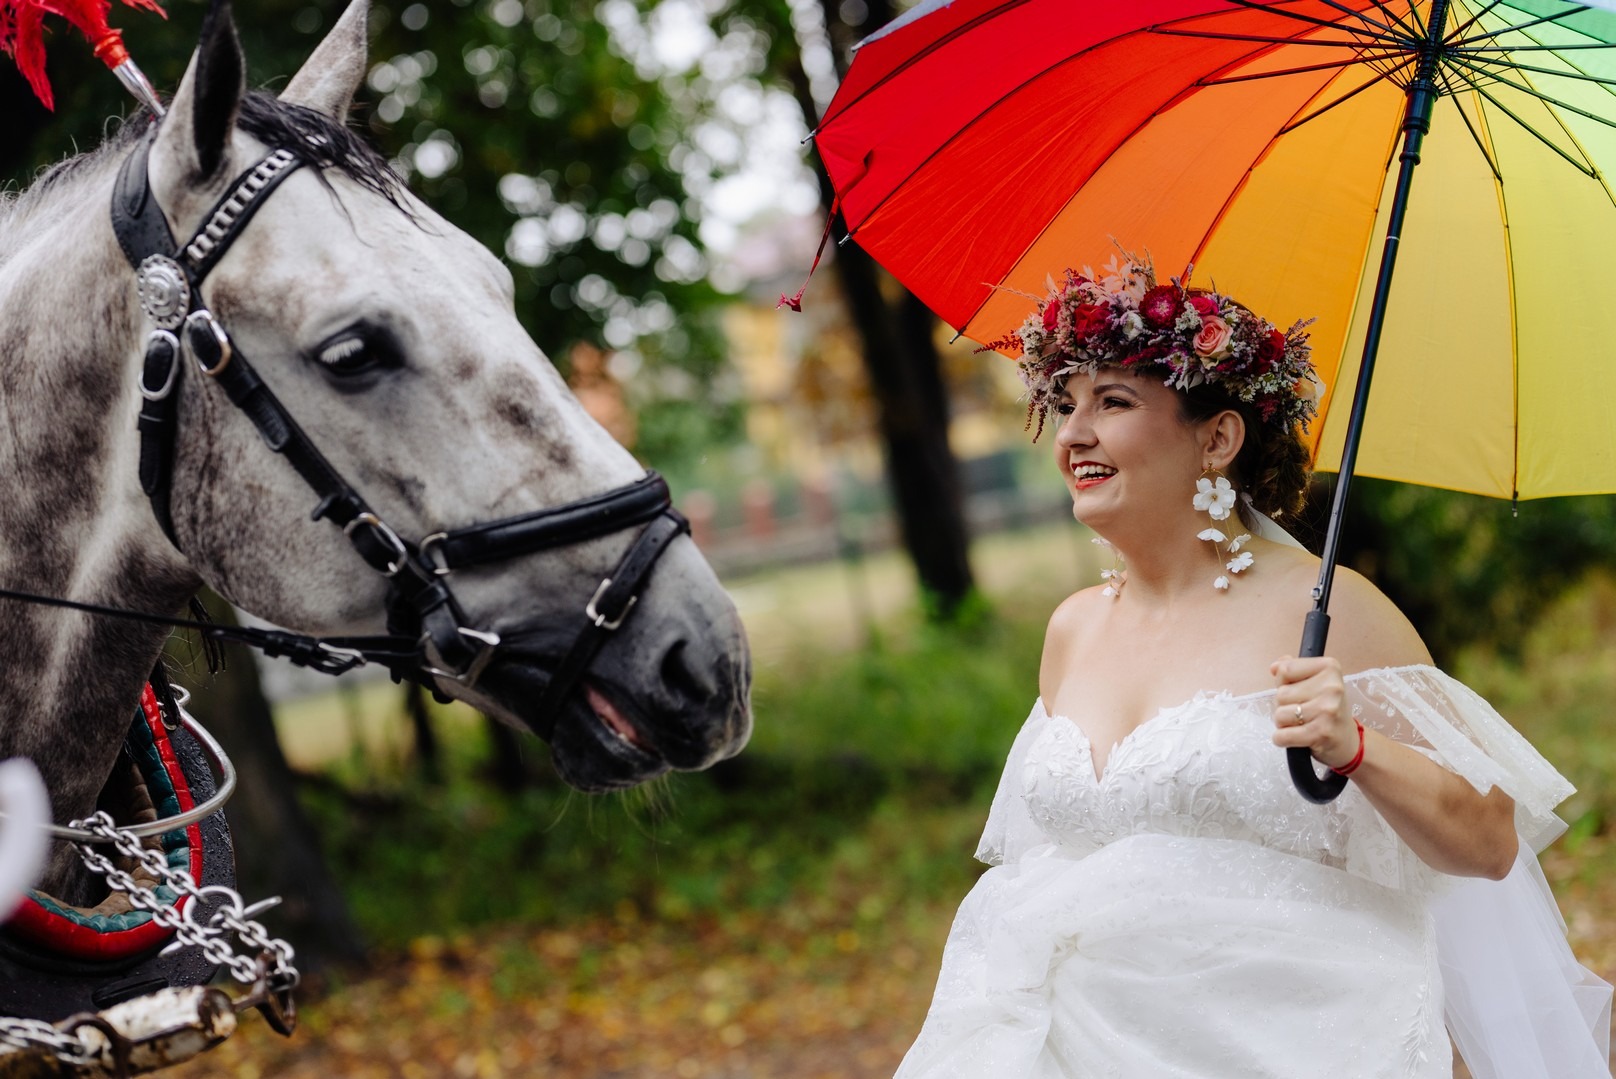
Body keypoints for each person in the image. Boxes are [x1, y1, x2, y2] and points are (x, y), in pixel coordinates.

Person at [895, 252, 1613, 1079]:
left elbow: (1487, 842)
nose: (1073, 434)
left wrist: (1357, 751)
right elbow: (1044, 857)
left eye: (1113, 402)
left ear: (1219, 437)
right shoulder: (1070, 631)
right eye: (1067, 404)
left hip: (1288, 1043)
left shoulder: (1329, 609)